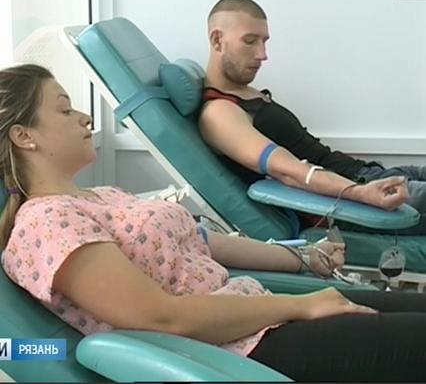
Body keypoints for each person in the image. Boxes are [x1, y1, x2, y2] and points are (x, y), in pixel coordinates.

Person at [1, 65, 426, 382]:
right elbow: (161, 318)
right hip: (235, 353)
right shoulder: (46, 223)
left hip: (254, 315)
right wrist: (302, 305)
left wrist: (302, 258)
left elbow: (201, 241)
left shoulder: (101, 196)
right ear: (24, 137)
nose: (84, 117)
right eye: (64, 110)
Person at [199, 0, 426, 235]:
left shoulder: (244, 92)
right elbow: (289, 171)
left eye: (264, 42)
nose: (262, 54)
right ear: (217, 40)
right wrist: (360, 193)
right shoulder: (218, 113)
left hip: (367, 173)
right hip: (350, 201)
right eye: (250, 41)